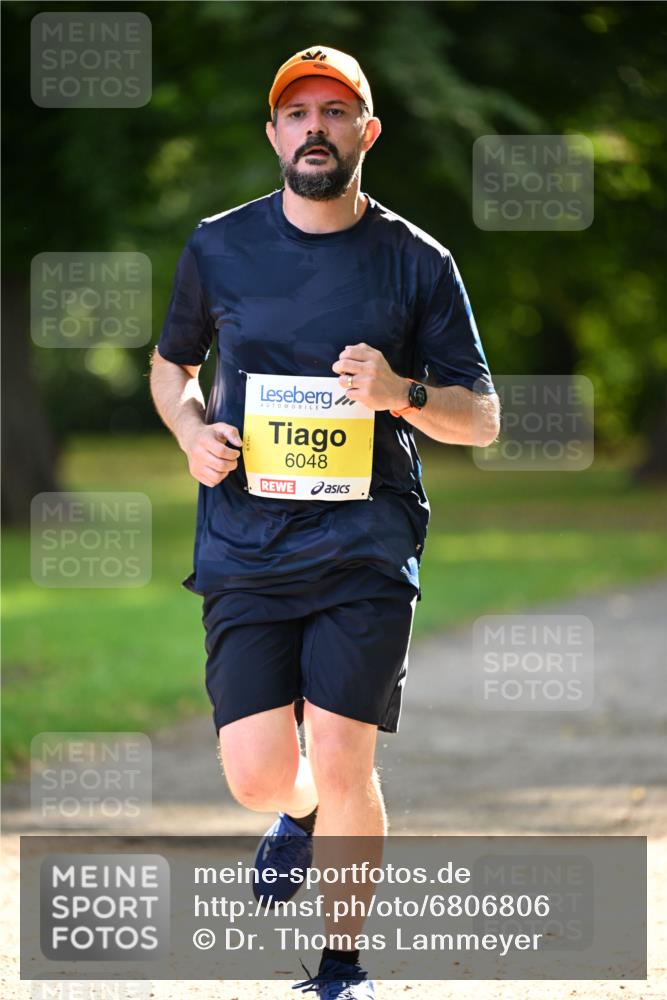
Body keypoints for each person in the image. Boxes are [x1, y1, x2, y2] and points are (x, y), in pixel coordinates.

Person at [149, 43, 499, 1000]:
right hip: (243, 539)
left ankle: (341, 967)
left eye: (335, 112)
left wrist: (400, 390)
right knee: (260, 776)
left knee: (345, 752)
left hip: (364, 541)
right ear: (274, 134)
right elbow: (170, 366)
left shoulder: (416, 260)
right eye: (297, 113)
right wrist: (190, 435)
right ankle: (294, 815)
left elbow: (481, 416)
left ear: (365, 132)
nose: (315, 127)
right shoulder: (219, 245)